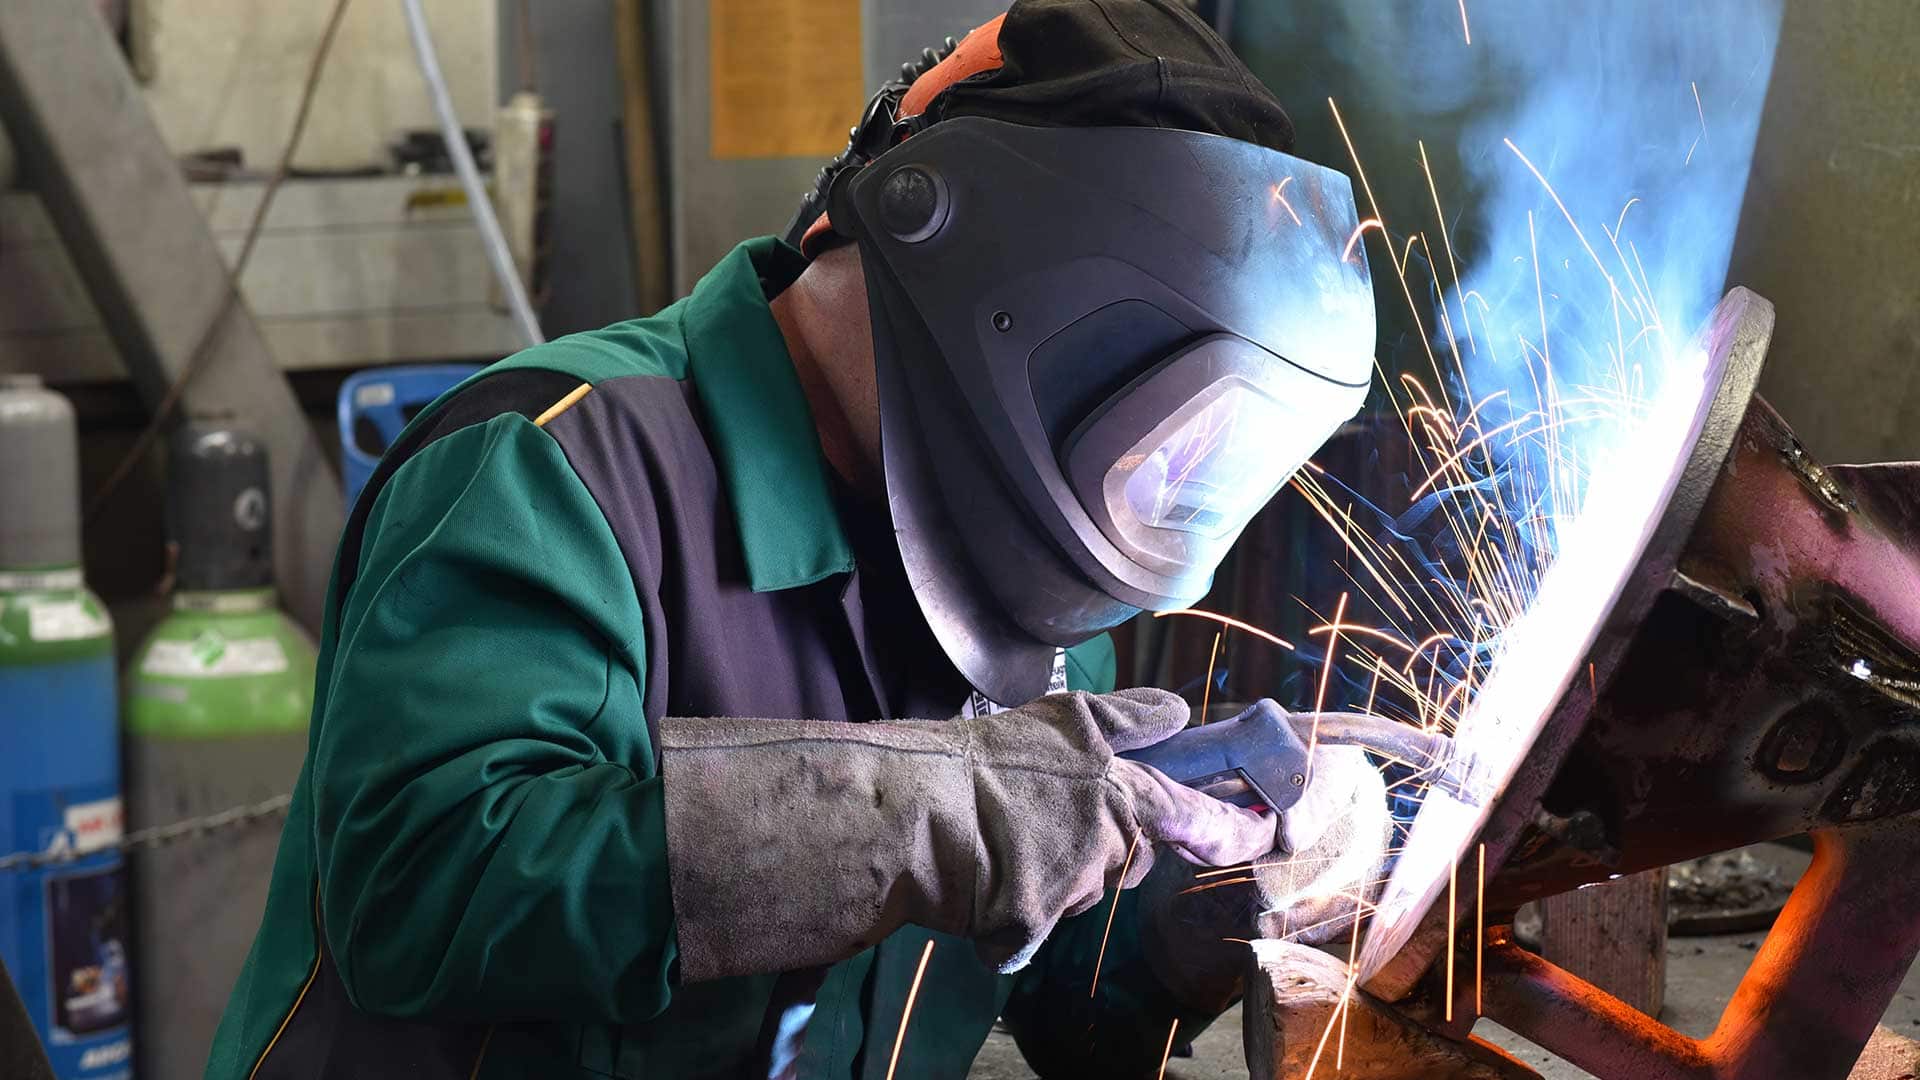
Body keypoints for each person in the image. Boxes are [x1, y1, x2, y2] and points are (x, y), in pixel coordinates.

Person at [206, 2, 1384, 1077]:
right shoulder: (556, 465)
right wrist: (913, 816)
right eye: (1158, 427)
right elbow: (423, 889)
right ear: (989, 270)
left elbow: (1041, 986)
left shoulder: (1039, 626)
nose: (1163, 484)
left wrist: (1209, 904)